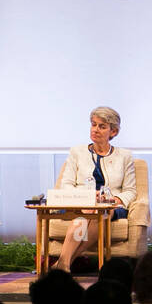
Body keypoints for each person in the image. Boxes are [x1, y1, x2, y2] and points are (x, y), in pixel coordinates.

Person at [55, 106, 137, 273]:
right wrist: (87, 197)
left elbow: (130, 191)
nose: (96, 130)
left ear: (113, 132)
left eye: (102, 126)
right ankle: (63, 266)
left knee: (98, 213)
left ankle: (61, 265)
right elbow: (66, 185)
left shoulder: (124, 156)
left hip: (110, 207)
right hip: (81, 205)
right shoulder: (77, 152)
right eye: (93, 125)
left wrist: (112, 199)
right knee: (81, 220)